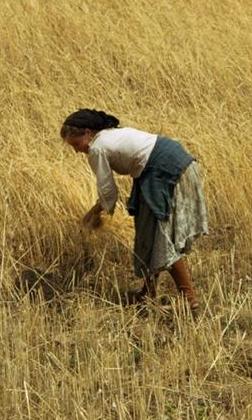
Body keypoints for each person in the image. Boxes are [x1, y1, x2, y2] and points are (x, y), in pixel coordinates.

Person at [60, 109, 209, 316]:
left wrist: (92, 214)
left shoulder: (97, 147)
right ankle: (147, 293)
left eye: (76, 144)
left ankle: (190, 299)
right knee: (147, 233)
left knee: (160, 237)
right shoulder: (108, 135)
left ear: (87, 132)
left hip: (163, 171)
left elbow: (108, 192)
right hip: (173, 163)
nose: (77, 150)